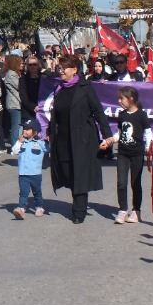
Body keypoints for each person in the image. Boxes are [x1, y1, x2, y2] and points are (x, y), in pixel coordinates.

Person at [48, 54, 113, 224]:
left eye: (64, 68)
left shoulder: (85, 88)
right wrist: (49, 131)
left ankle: (79, 210)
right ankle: (77, 200)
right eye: (59, 68)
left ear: (74, 70)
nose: (61, 71)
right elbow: (56, 114)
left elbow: (98, 111)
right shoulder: (59, 88)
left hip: (82, 138)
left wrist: (107, 135)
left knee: (80, 173)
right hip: (63, 138)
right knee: (68, 171)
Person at [109, 86, 152, 224]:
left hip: (137, 154)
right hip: (123, 153)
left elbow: (148, 133)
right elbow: (119, 133)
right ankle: (122, 210)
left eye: (121, 98)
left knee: (135, 183)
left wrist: (148, 147)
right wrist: (111, 140)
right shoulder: (122, 115)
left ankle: (136, 211)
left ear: (131, 99)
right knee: (121, 182)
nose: (119, 101)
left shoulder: (141, 115)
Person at [11, 118, 48, 219]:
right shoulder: (22, 142)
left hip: (35, 174)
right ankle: (21, 209)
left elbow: (49, 148)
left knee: (37, 192)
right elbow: (14, 151)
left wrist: (49, 139)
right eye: (24, 128)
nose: (24, 131)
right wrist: (19, 142)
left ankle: (39, 207)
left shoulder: (40, 143)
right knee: (23, 192)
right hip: (23, 174)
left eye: (27, 129)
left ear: (35, 131)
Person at [3, 55, 23, 145]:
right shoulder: (11, 74)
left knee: (18, 126)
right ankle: (14, 146)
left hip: (17, 103)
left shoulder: (15, 73)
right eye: (20, 63)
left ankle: (17, 144)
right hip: (14, 104)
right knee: (16, 126)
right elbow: (19, 86)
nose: (22, 65)